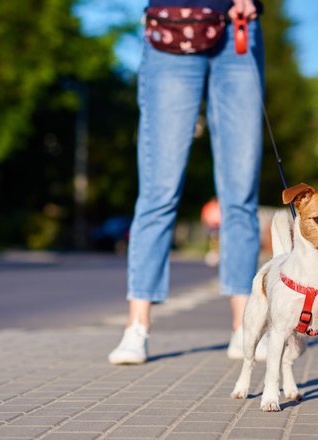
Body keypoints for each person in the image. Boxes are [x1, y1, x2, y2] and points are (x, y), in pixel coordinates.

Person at [108, 0, 265, 365]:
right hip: (170, 28)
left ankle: (244, 328)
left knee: (240, 193)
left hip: (236, 27)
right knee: (158, 191)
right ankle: (137, 327)